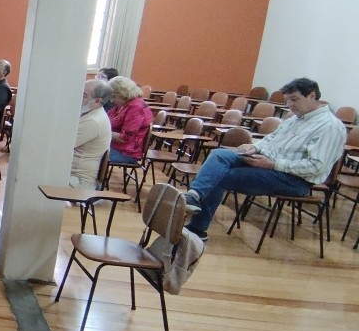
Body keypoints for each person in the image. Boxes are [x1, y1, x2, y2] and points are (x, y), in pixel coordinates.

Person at [182, 77, 345, 240]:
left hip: (293, 180)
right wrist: (254, 147)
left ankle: (197, 229)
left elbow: (316, 167)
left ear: (312, 95)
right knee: (219, 155)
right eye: (288, 100)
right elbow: (270, 139)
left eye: (294, 99)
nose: (290, 105)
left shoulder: (330, 126)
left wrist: (273, 164)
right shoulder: (295, 119)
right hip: (267, 164)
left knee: (220, 176)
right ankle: (194, 195)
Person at [69, 79, 113, 189]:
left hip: (77, 181)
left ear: (97, 101)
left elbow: (61, 146)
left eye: (84, 95)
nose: (78, 98)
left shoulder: (93, 121)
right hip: (70, 173)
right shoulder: (90, 112)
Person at [106, 76, 152, 163]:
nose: (111, 100)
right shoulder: (122, 104)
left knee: (91, 153)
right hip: (114, 146)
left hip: (127, 152)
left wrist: (102, 132)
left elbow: (124, 138)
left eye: (113, 96)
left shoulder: (137, 108)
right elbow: (107, 120)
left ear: (122, 93)